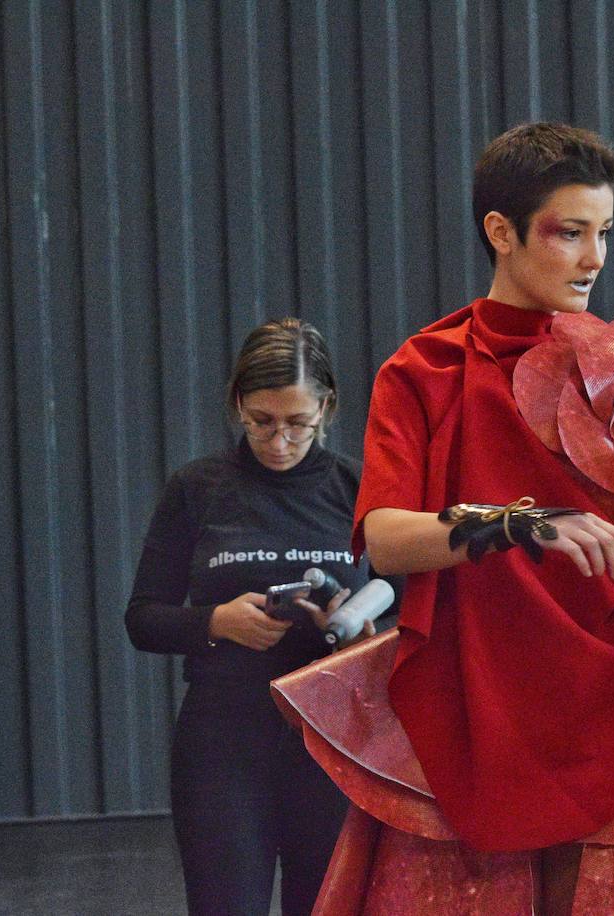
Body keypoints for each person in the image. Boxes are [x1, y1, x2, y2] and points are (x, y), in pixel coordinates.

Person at [271, 122, 614, 915]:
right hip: (462, 699)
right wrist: (521, 523)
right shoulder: (422, 369)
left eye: (603, 233)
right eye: (570, 233)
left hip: (603, 698)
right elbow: (386, 539)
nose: (594, 258)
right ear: (500, 232)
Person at [126, 318, 370, 914]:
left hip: (332, 737)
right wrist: (216, 622)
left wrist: (360, 633)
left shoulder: (356, 489)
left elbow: (407, 607)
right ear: (237, 404)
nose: (279, 440)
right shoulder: (198, 488)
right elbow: (142, 618)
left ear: (327, 409)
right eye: (261, 421)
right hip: (225, 742)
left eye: (298, 424)